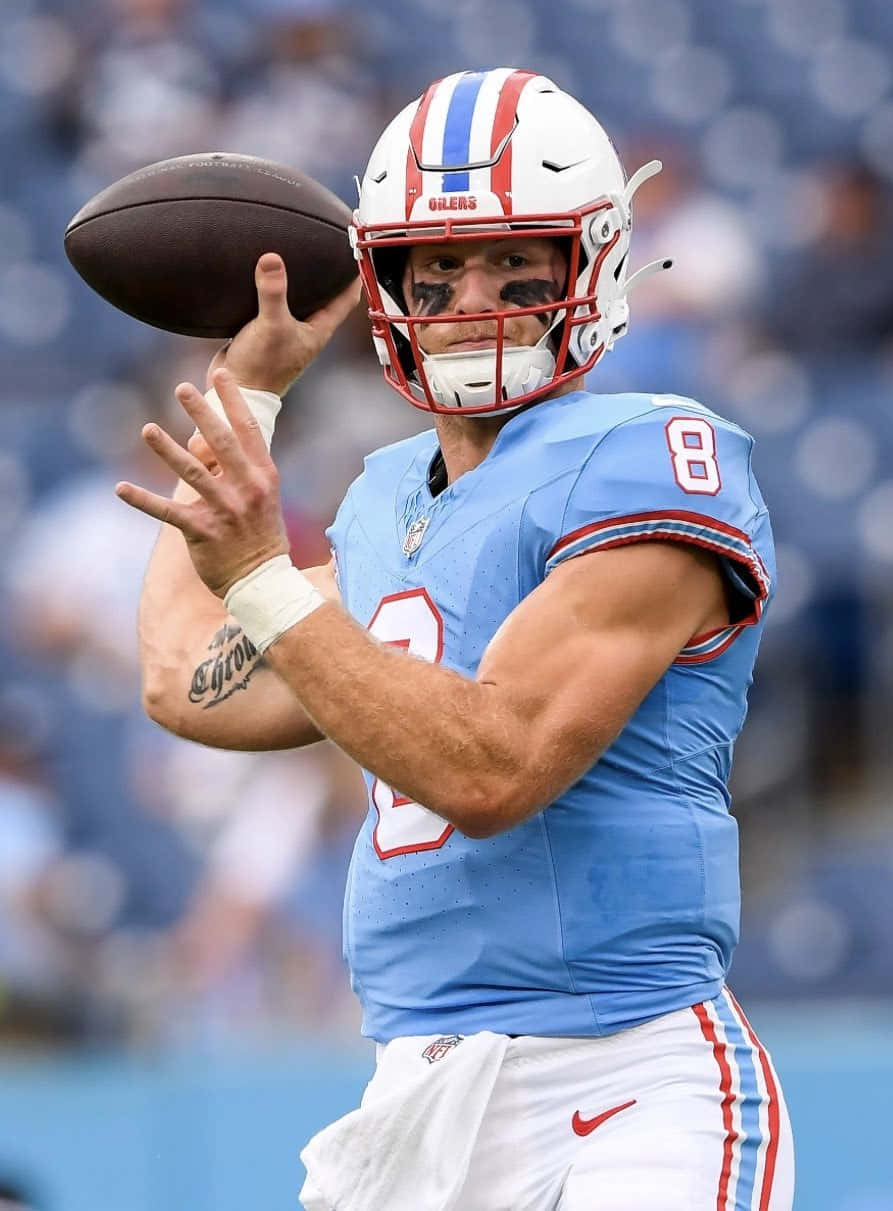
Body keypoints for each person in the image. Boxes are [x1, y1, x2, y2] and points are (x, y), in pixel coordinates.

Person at [119, 68, 794, 1211]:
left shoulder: (648, 453)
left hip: (621, 1080)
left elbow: (492, 766)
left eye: (513, 260)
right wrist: (245, 390)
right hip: (414, 1095)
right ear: (385, 282)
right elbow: (187, 680)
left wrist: (265, 581)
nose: (474, 294)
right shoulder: (385, 497)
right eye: (437, 267)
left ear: (589, 265)